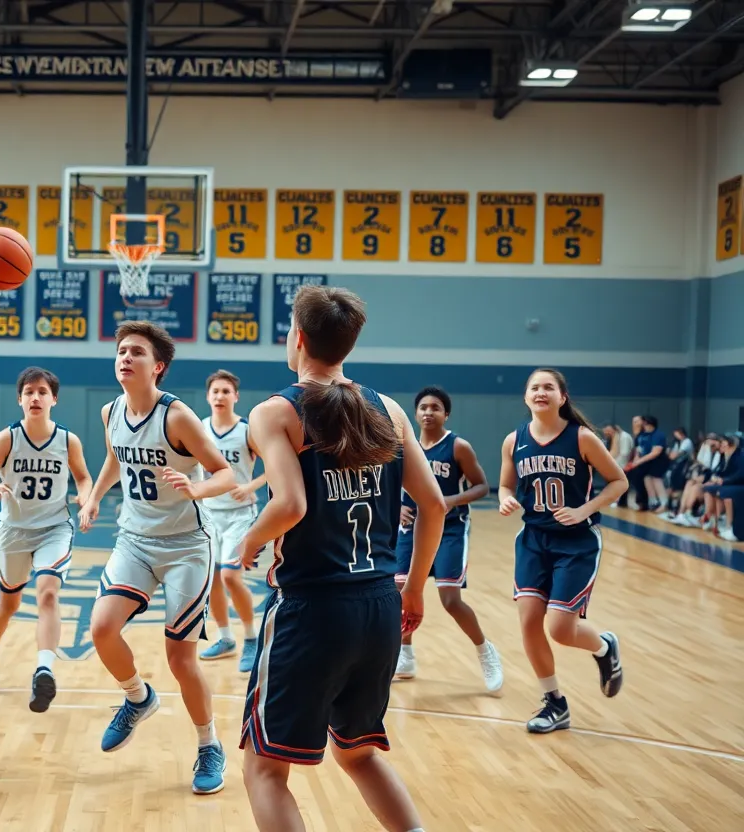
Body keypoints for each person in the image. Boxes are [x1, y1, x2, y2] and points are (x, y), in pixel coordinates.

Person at [233, 285, 442, 832]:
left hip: (312, 608)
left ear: (297, 339)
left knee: (264, 768)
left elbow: (290, 505)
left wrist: (251, 540)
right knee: (358, 752)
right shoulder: (390, 409)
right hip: (378, 606)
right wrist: (414, 586)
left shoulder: (276, 411)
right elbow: (434, 506)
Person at [78, 320, 236, 795]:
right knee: (102, 628)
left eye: (137, 352)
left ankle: (209, 745)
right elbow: (114, 457)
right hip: (135, 539)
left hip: (187, 546)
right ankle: (137, 697)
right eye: (121, 350)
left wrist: (198, 486)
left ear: (158, 366)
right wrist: (93, 497)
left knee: (180, 658)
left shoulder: (178, 417)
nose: (125, 357)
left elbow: (226, 473)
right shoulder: (111, 411)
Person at [498, 368, 626, 734]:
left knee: (559, 628)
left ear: (562, 397)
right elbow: (506, 485)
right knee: (528, 622)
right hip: (534, 540)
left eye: (548, 387)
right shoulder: (513, 441)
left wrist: (584, 510)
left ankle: (603, 646)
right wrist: (507, 500)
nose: (541, 392)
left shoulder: (582, 438)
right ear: (526, 397)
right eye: (534, 387)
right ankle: (555, 704)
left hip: (577, 543)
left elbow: (619, 481)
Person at [0, 366, 93, 712]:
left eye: (42, 392)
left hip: (55, 527)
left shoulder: (67, 440)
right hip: (13, 531)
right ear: (19, 399)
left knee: (49, 593)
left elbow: (83, 478)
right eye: (28, 392)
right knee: (6, 606)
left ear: (54, 399)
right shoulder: (6, 439)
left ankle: (44, 668)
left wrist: (86, 500)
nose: (35, 397)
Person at [394, 387, 502, 692]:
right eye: (424, 407)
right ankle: (405, 654)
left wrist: (453, 499)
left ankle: (485, 650)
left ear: (446, 414)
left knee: (450, 599)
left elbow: (482, 486)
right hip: (411, 527)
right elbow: (389, 485)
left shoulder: (458, 447)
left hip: (451, 528)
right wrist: (397, 506)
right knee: (399, 591)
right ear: (415, 413)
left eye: (436, 408)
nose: (429, 412)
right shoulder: (404, 447)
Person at [197, 369, 265, 673]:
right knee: (210, 578)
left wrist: (250, 487)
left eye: (226, 391)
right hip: (209, 513)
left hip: (240, 514)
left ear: (235, 396)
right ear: (208, 397)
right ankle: (226, 638)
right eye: (216, 391)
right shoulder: (199, 429)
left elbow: (276, 467)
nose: (220, 396)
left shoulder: (246, 431)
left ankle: (251, 637)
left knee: (229, 576)